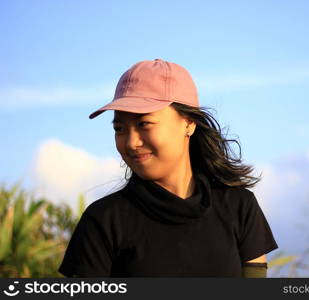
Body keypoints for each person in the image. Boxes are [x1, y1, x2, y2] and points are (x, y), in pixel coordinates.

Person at [58, 58, 278, 278]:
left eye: (144, 124)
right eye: (120, 128)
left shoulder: (240, 207)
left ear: (188, 123)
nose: (131, 142)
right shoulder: (102, 221)